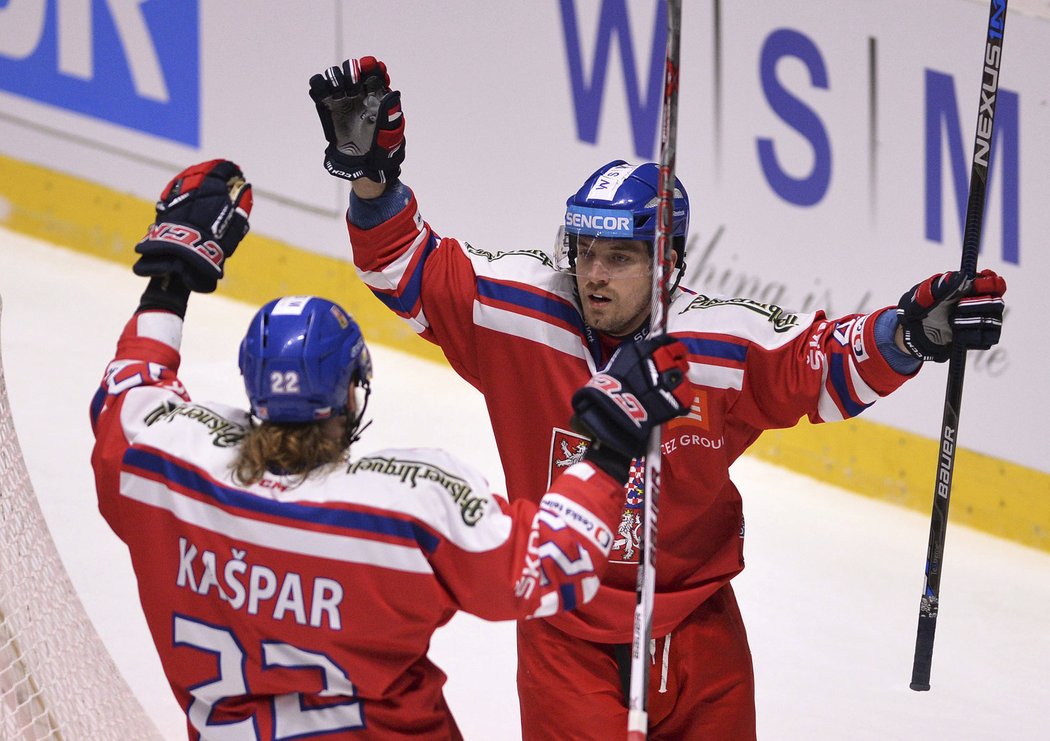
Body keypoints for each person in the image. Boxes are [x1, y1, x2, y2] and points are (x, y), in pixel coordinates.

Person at [307, 57, 1009, 740]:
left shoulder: (719, 343)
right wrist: (374, 179)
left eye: (619, 257)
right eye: (584, 252)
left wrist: (914, 331)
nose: (593, 275)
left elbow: (824, 365)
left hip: (699, 633)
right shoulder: (519, 312)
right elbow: (401, 266)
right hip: (566, 630)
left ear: (666, 260)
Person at [88, 159, 694, 740]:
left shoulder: (164, 463)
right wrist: (613, 448)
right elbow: (557, 563)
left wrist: (169, 280)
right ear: (353, 396)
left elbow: (129, 389)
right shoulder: (407, 511)